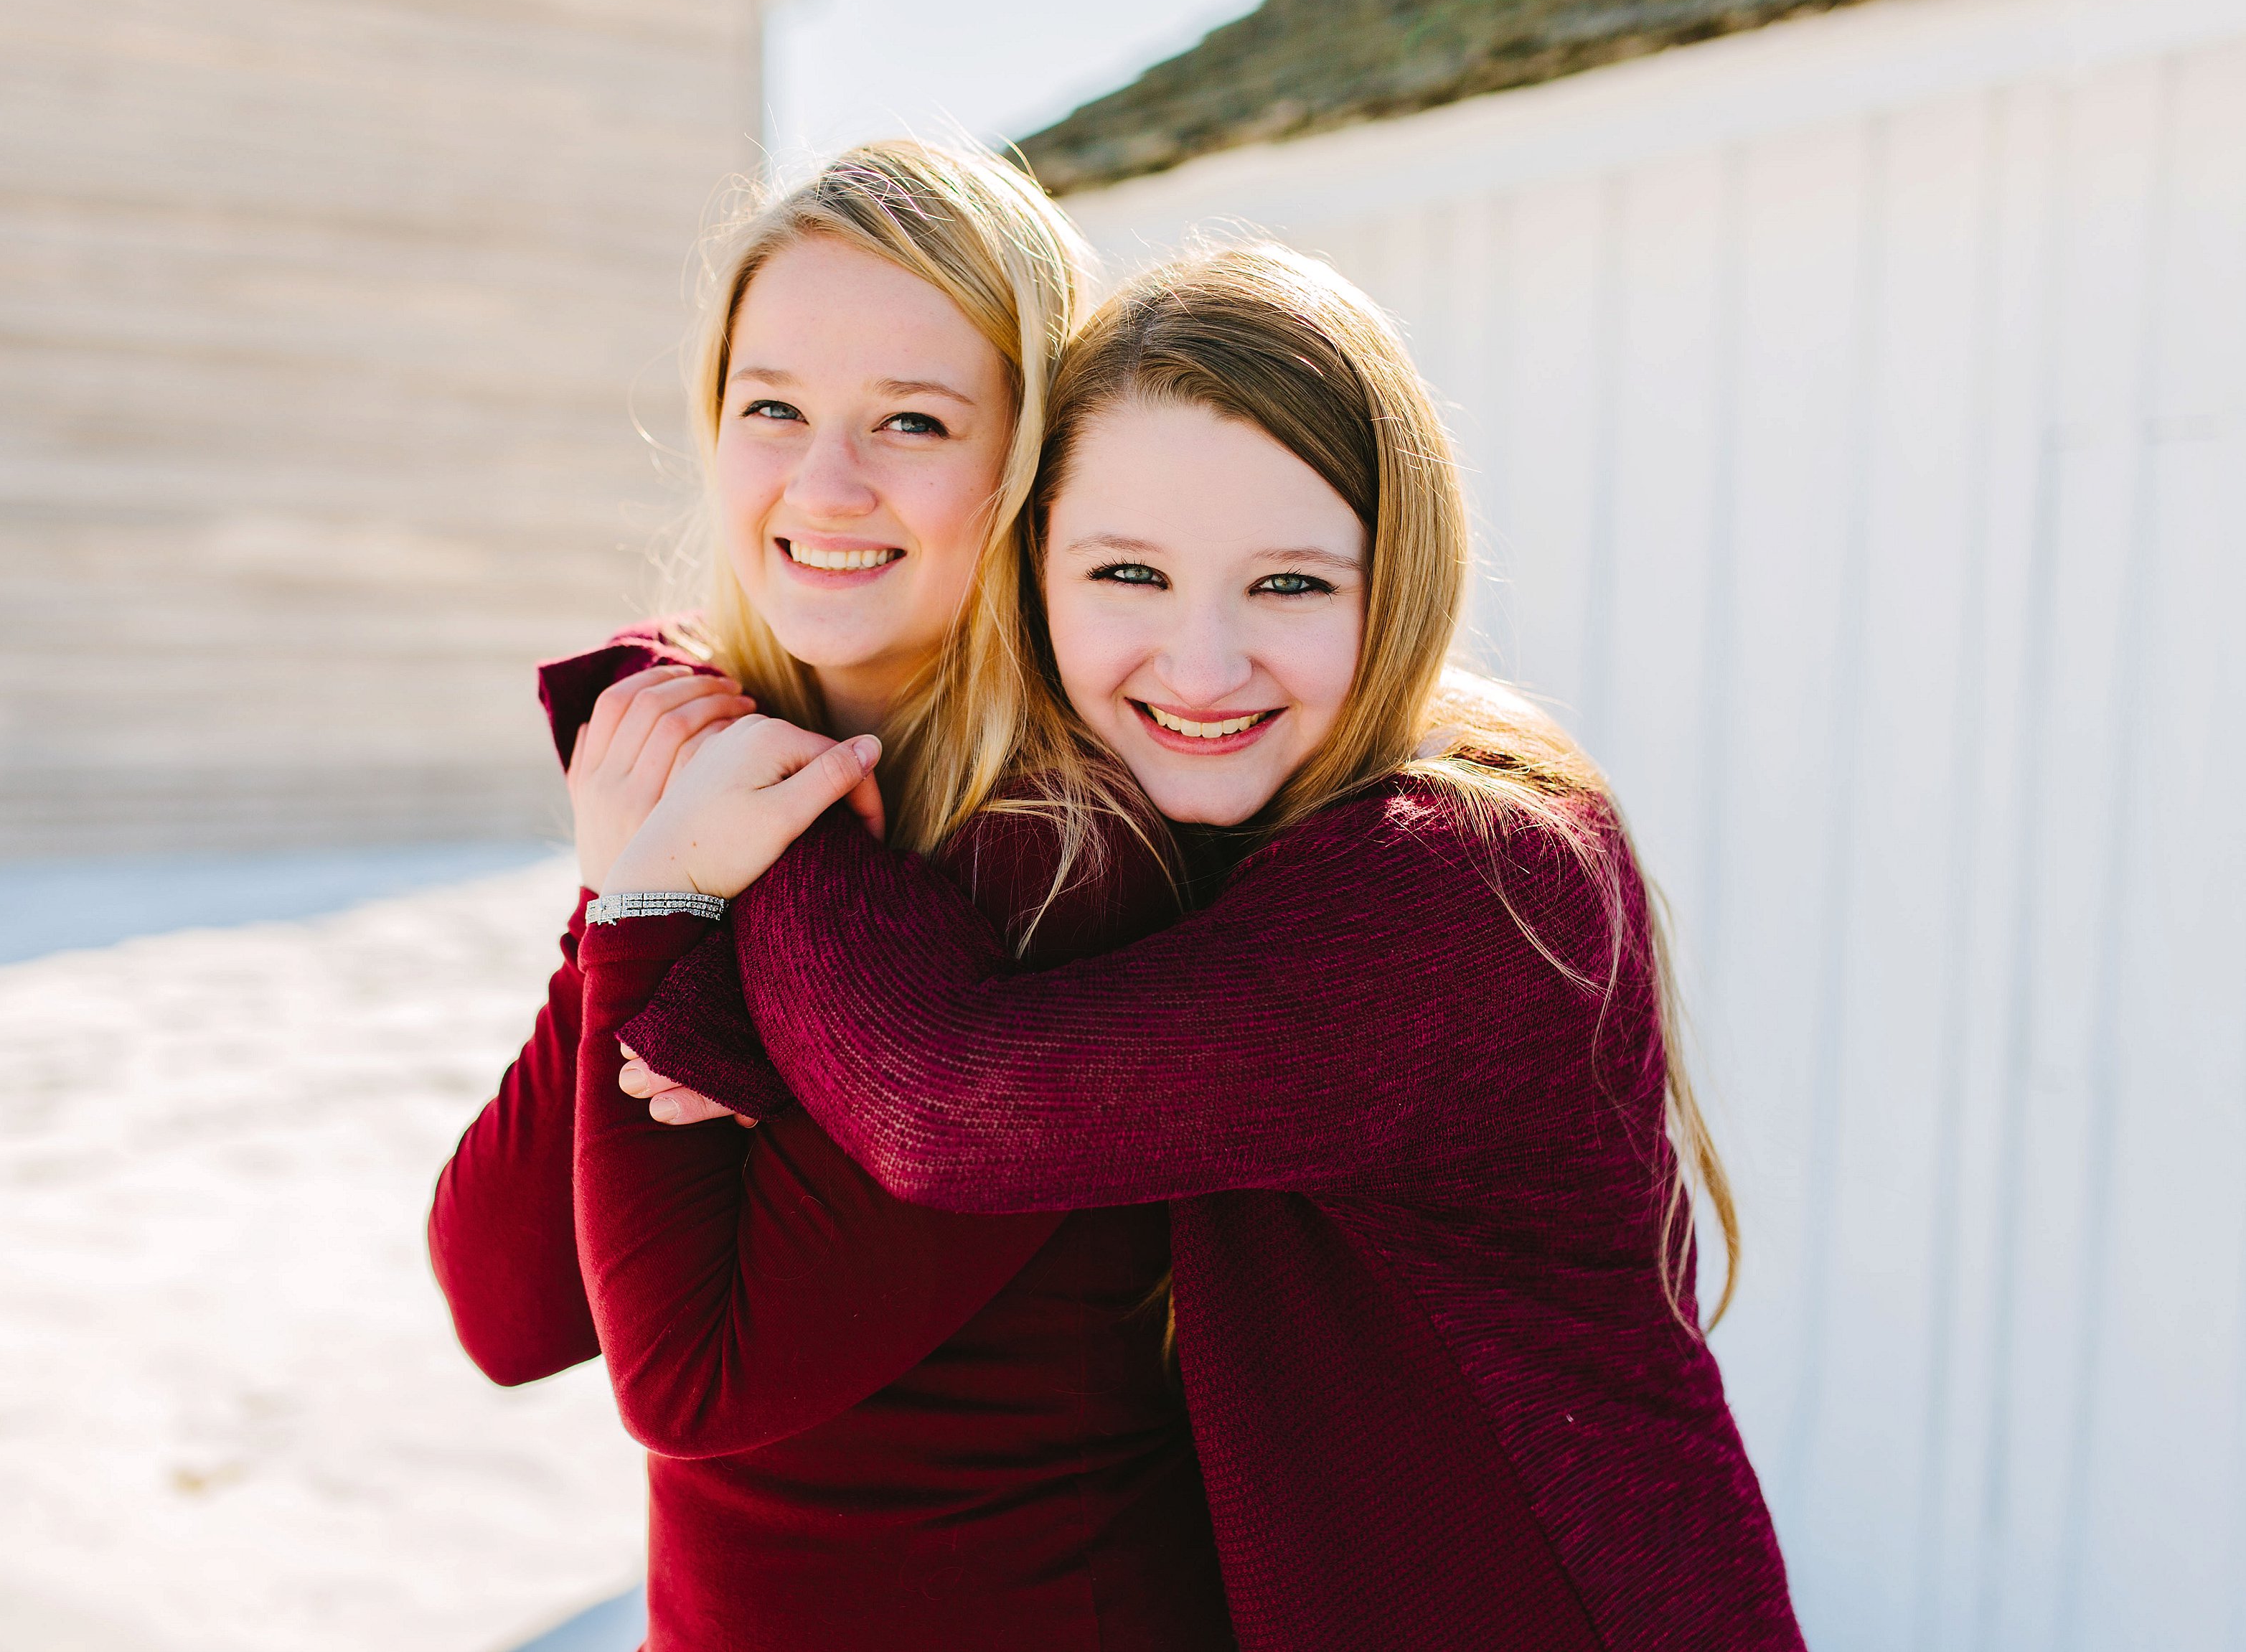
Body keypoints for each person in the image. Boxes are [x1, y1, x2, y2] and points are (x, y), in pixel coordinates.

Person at [603, 244, 1806, 1651]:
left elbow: (944, 1100)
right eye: (1129, 572)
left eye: (1289, 586)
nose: (1201, 666)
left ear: (1400, 578)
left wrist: (764, 795)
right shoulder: (1222, 840)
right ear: (1031, 569)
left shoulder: (1461, 883)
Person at [428, 140, 1234, 1648]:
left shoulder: (1070, 865)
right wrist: (622, 897)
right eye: (773, 408)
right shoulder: (702, 750)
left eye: (912, 420)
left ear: (1034, 462)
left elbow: (697, 1383)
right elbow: (508, 1308)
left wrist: (655, 906)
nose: (825, 483)